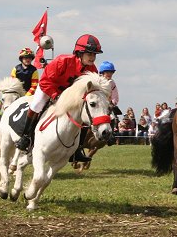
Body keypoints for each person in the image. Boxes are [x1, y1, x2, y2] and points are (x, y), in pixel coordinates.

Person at [14, 34, 103, 162]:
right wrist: (55, 95)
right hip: (48, 87)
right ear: (79, 53)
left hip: (68, 95)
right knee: (36, 105)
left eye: (94, 54)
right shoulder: (62, 61)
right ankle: (26, 136)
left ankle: (77, 149)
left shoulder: (92, 69)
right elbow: (45, 81)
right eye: (90, 54)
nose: (93, 57)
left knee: (83, 115)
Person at [99, 61, 120, 132]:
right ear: (102, 73)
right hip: (98, 105)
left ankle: (111, 134)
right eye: (108, 72)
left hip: (108, 105)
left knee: (112, 117)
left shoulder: (112, 83)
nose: (110, 74)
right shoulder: (97, 81)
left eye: (111, 72)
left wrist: (113, 103)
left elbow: (115, 95)